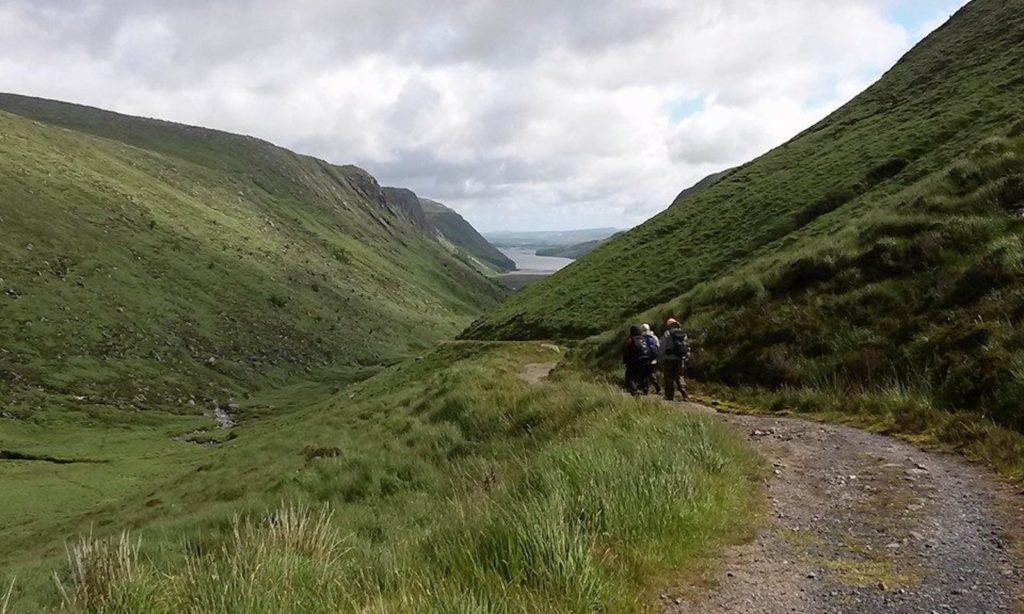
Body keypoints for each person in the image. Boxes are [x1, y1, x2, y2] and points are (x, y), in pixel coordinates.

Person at [659, 318, 691, 401]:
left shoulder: (667, 334)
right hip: (680, 359)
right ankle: (685, 395)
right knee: (680, 376)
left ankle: (669, 396)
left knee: (669, 377)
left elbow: (663, 347)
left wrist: (660, 358)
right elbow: (687, 346)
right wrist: (686, 356)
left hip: (669, 359)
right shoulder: (683, 334)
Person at [622, 325, 648, 396]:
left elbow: (626, 351)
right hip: (644, 360)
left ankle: (634, 391)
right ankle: (645, 389)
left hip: (633, 361)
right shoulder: (643, 339)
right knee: (642, 376)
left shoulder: (631, 339)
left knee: (630, 377)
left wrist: (625, 361)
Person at [640, 324, 662, 395]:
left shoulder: (641, 338)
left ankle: (645, 390)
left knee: (643, 375)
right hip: (653, 359)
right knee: (651, 373)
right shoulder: (654, 337)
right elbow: (658, 347)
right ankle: (657, 387)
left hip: (643, 359)